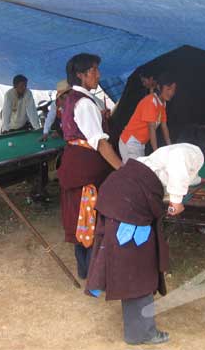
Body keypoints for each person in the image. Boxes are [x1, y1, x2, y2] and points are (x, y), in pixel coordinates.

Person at [86, 125, 205, 345]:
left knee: (131, 263)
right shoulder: (192, 152)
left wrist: (197, 181)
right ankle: (140, 333)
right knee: (138, 268)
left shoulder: (173, 149)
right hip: (130, 203)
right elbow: (179, 164)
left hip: (118, 193)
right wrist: (176, 201)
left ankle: (139, 329)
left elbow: (178, 170)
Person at [57, 53, 123, 279]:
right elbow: (100, 142)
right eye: (93, 70)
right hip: (85, 170)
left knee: (81, 217)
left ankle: (86, 270)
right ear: (80, 75)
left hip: (77, 165)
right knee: (88, 219)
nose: (98, 75)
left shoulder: (74, 99)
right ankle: (92, 272)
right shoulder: (84, 103)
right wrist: (122, 169)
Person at [119, 72, 175, 162]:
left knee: (134, 170)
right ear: (159, 87)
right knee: (135, 171)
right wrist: (156, 152)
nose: (171, 92)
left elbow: (164, 126)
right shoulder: (151, 101)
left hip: (140, 144)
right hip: (130, 141)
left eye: (173, 90)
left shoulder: (162, 104)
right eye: (168, 89)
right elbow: (151, 128)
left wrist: (171, 147)